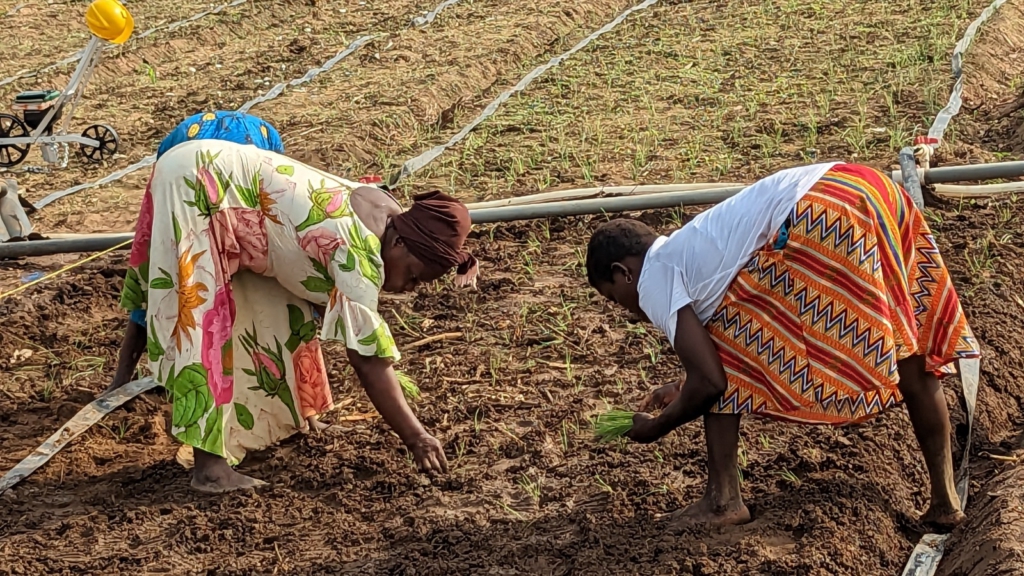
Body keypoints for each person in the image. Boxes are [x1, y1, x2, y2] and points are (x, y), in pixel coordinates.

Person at [585, 162, 980, 530]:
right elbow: (708, 364)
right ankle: (945, 501)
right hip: (868, 186)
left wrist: (656, 427)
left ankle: (723, 500)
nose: (628, 311)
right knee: (907, 343)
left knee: (721, 358)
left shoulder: (653, 275)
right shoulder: (692, 250)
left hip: (819, 210)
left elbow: (710, 382)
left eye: (613, 297)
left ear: (623, 274)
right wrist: (678, 389)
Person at [110, 137, 478, 493]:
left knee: (285, 306)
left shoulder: (387, 210)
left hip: (219, 183)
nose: (409, 289)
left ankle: (291, 419)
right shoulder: (360, 256)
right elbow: (368, 360)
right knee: (204, 316)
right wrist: (417, 438)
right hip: (198, 185)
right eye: (412, 276)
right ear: (399, 244)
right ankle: (209, 469)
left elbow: (308, 282)